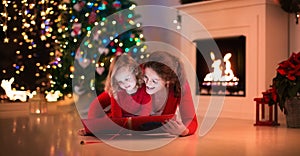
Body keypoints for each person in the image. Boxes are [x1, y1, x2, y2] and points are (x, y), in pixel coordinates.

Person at [78, 54, 151, 135]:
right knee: (106, 126)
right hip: (116, 121)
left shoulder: (144, 89)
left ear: (135, 72)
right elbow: (117, 118)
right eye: (120, 81)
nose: (125, 84)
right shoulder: (117, 91)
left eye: (127, 78)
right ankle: (91, 130)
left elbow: (145, 112)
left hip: (134, 122)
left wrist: (135, 127)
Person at [142, 51, 198, 136]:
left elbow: (191, 120)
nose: (148, 83)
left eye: (154, 81)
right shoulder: (134, 81)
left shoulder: (180, 85)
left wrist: (184, 131)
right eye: (145, 77)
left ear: (167, 80)